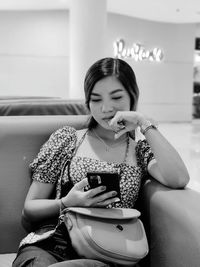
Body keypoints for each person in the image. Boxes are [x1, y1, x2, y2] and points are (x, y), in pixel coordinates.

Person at [13, 57, 190, 267]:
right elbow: (30, 208)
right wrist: (66, 202)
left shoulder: (140, 151)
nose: (106, 108)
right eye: (96, 99)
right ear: (88, 102)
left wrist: (144, 123)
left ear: (132, 97)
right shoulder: (68, 139)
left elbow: (179, 178)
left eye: (116, 97)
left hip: (110, 250)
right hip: (52, 243)